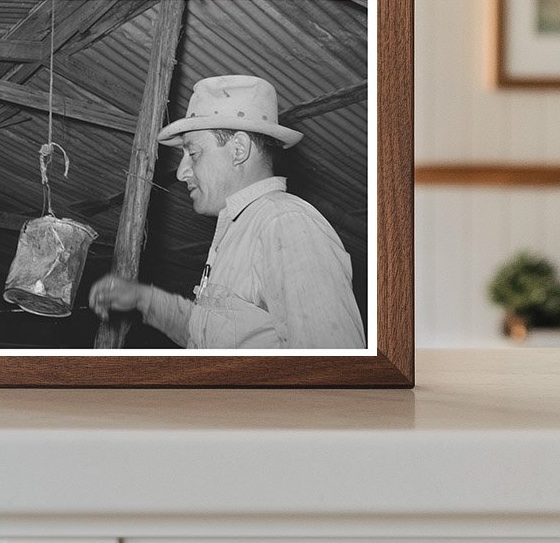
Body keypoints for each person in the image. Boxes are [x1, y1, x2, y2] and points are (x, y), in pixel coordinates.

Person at [89, 75, 366, 349]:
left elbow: (336, 370)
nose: (183, 172)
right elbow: (206, 337)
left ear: (238, 149)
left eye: (193, 154)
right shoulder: (239, 229)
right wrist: (142, 299)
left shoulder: (285, 223)